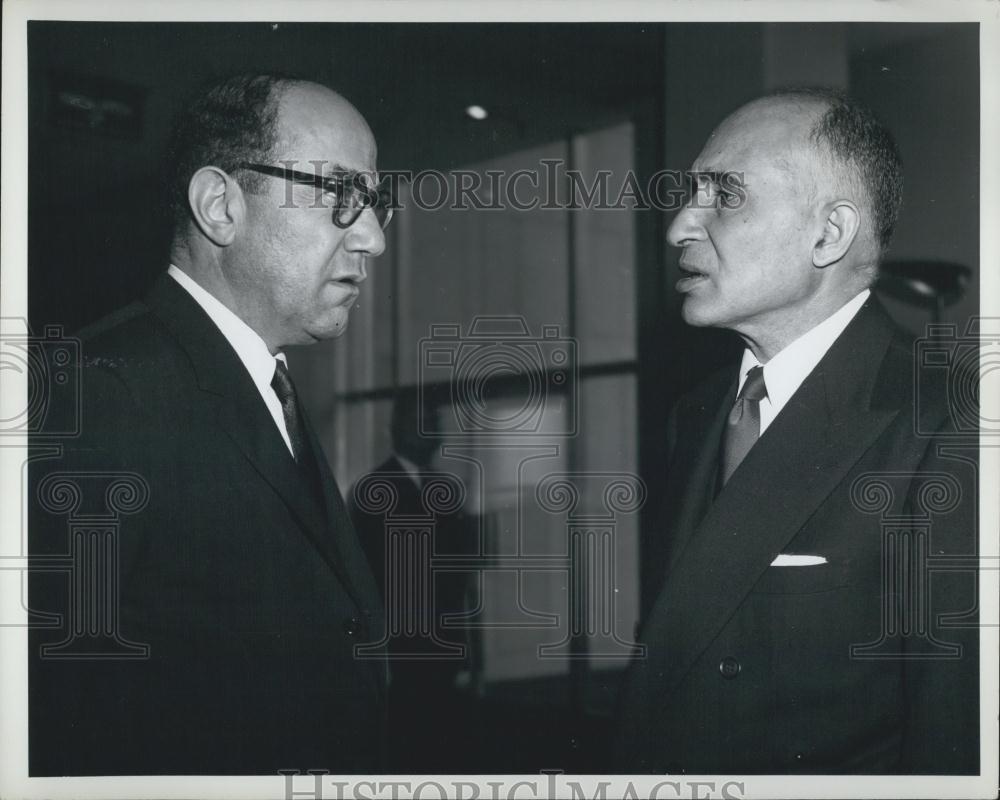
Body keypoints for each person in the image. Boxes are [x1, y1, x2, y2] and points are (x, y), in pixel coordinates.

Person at [29, 74, 392, 775]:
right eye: (339, 194)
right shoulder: (99, 394)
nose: (372, 237)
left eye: (374, 202)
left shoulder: (261, 383)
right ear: (220, 206)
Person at [614, 89, 979, 774]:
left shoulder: (951, 424)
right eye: (690, 192)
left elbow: (951, 737)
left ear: (829, 234)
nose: (678, 228)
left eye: (724, 195)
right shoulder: (695, 414)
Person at [348, 388, 475, 772]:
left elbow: (459, 575)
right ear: (400, 428)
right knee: (407, 749)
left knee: (444, 748)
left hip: (442, 646)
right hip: (400, 651)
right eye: (428, 423)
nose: (437, 432)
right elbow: (368, 577)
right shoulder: (373, 491)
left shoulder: (447, 489)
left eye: (438, 423)